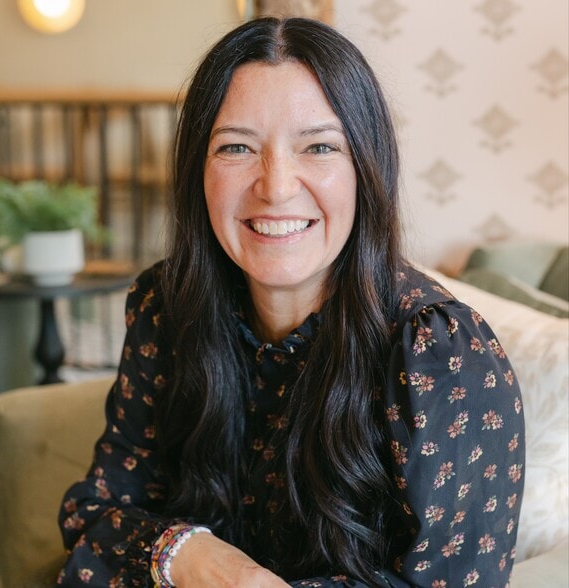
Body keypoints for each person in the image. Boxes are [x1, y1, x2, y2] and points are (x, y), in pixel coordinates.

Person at [58, 17, 525, 587]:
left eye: (319, 147)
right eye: (236, 147)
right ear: (197, 170)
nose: (276, 186)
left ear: (366, 169)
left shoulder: (441, 353)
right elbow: (94, 515)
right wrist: (199, 559)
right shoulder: (168, 307)